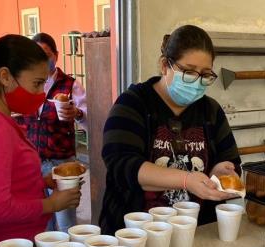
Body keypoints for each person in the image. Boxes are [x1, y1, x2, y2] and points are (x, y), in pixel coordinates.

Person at [99, 25, 241, 234]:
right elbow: (122, 165)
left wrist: (219, 174)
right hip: (133, 236)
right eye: (189, 72)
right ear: (165, 65)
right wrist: (185, 180)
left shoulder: (210, 111)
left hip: (194, 233)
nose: (197, 82)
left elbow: (232, 162)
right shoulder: (133, 104)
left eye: (205, 75)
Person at [0, 34, 81, 247]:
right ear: (5, 76)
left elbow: (1, 179)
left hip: (14, 243)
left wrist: (41, 181)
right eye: (37, 84)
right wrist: (50, 204)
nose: (41, 93)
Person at [16, 32, 88, 232]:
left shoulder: (70, 84)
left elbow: (90, 119)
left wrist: (77, 112)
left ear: (56, 55)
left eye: (46, 54)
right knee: (42, 223)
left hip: (62, 164)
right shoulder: (25, 86)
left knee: (66, 225)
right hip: (33, 164)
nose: (42, 60)